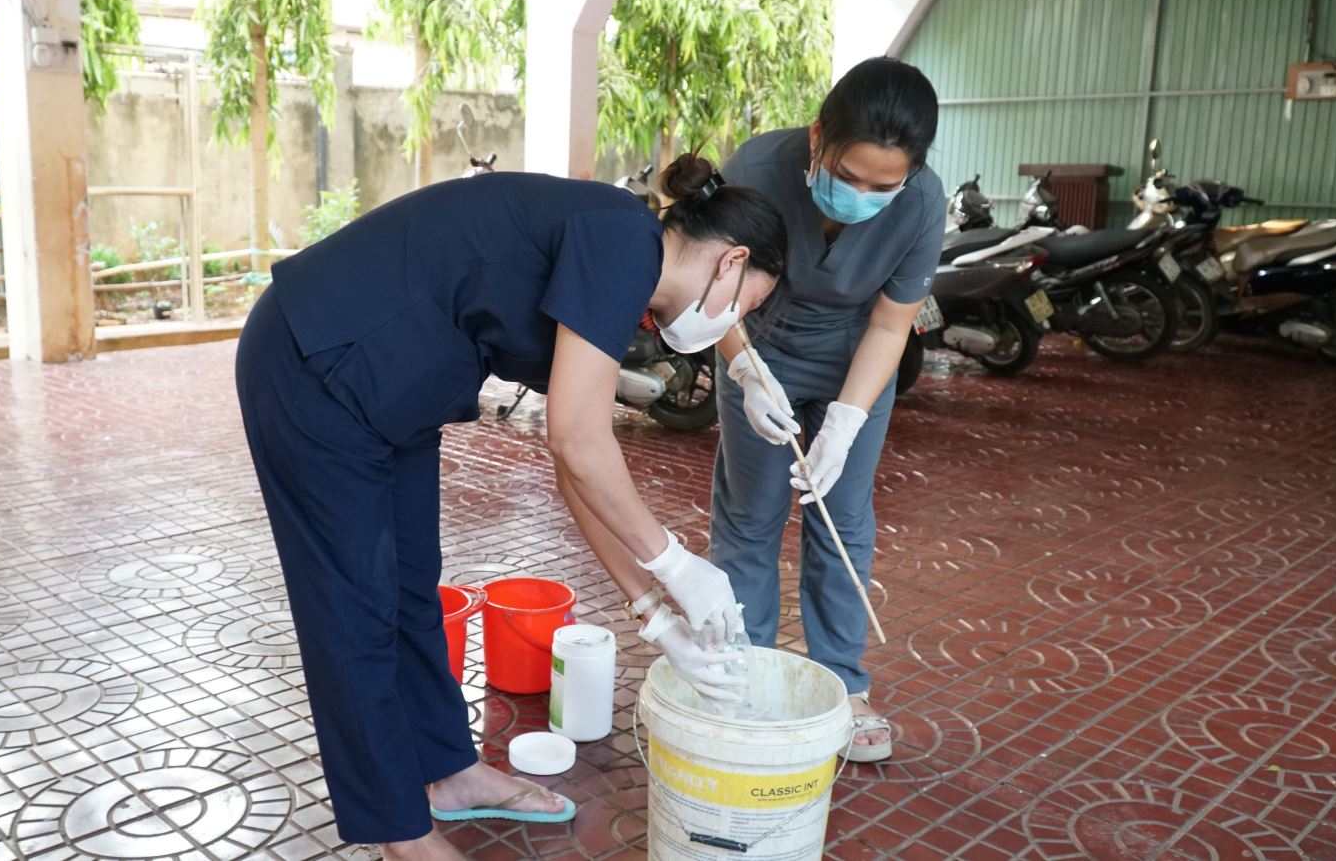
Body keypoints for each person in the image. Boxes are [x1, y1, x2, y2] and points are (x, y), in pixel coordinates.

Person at [235, 155, 788, 860]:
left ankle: (449, 772)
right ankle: (396, 831)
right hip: (314, 361)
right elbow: (579, 438)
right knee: (354, 608)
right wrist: (676, 564)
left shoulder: (620, 278)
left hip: (384, 391)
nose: (730, 326)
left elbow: (573, 463)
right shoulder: (623, 241)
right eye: (743, 306)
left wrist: (653, 613)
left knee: (408, 591)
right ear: (730, 260)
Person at [708, 57, 943, 764]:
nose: (864, 195)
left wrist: (845, 419)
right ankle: (744, 675)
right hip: (756, 338)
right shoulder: (756, 166)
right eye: (850, 177)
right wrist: (745, 370)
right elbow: (714, 290)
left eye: (884, 187)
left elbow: (890, 324)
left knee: (842, 519)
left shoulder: (924, 202)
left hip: (856, 361)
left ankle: (845, 683)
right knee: (751, 514)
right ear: (818, 139)